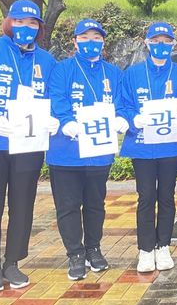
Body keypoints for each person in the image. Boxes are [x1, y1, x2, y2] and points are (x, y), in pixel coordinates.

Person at [0, 0, 58, 292]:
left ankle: (12, 262)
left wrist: (55, 119)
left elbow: (54, 99)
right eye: (19, 21)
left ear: (39, 28)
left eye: (32, 23)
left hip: (28, 144)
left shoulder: (46, 62)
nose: (25, 28)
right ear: (9, 22)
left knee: (23, 205)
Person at [47, 19, 127, 280]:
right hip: (66, 152)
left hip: (98, 153)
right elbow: (57, 100)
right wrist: (66, 122)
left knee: (95, 204)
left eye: (96, 38)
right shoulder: (63, 70)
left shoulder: (113, 73)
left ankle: (94, 248)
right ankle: (75, 254)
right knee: (68, 205)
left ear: (103, 42)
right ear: (74, 42)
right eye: (84, 38)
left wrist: (121, 119)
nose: (90, 43)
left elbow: (122, 102)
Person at [118, 22, 177, 273]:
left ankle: (163, 246)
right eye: (155, 41)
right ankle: (145, 249)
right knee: (146, 196)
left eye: (166, 41)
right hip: (142, 147)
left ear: (173, 44)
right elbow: (124, 105)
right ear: (147, 43)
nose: (160, 46)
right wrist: (132, 119)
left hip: (170, 146)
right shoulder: (133, 73)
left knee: (167, 196)